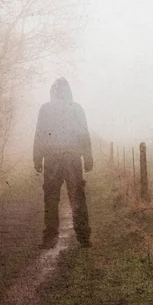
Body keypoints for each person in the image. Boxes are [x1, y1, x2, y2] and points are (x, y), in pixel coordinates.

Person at [33, 77, 93, 249]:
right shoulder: (76, 109)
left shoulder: (45, 109)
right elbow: (84, 134)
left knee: (51, 199)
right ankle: (84, 238)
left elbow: (40, 134)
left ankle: (50, 238)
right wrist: (88, 159)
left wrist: (37, 158)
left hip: (52, 160)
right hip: (72, 159)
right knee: (77, 198)